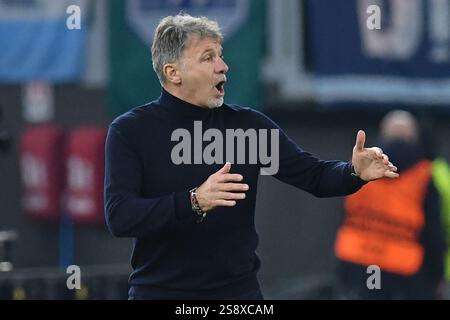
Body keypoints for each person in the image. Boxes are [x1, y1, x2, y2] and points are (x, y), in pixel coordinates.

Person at [104, 14, 398, 300]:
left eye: (220, 55)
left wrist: (353, 172)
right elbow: (120, 216)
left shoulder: (248, 126)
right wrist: (194, 201)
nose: (223, 66)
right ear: (173, 73)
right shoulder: (130, 131)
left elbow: (315, 176)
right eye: (208, 58)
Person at [334, 110, 446, 299]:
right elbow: (433, 230)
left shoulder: (361, 167)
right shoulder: (424, 174)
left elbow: (346, 212)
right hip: (404, 268)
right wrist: (437, 274)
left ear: (383, 134)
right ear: (413, 137)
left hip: (360, 262)